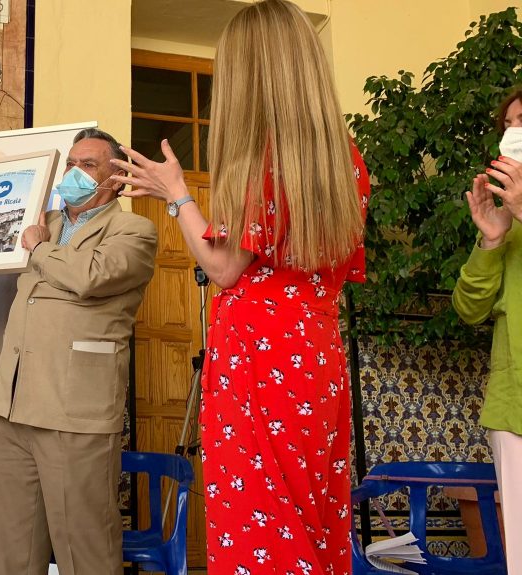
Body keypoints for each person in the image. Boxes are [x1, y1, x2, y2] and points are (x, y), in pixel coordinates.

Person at [113, 1, 370, 574]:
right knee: (313, 525)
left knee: (261, 533)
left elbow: (225, 268)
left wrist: (177, 193)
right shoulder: (344, 160)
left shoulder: (262, 160)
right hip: (317, 363)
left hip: (259, 367)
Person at [0, 128, 157, 575]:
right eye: (71, 163)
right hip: (15, 405)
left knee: (86, 549)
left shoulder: (133, 230)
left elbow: (91, 276)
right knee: (11, 550)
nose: (74, 173)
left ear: (116, 179)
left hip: (74, 410)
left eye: (89, 165)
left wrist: (39, 248)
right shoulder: (44, 223)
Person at [451, 86, 522, 575]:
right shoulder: (506, 219)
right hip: (513, 405)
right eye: (510, 124)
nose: (515, 131)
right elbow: (469, 308)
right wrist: (492, 239)